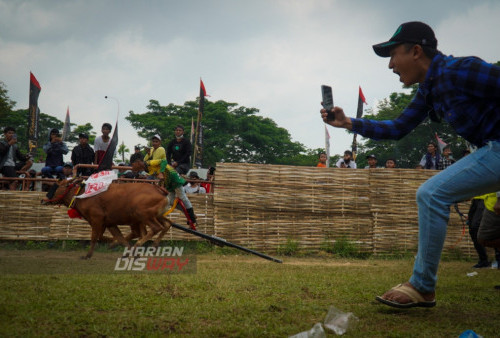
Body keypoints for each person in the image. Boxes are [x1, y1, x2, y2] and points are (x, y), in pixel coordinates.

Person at [320, 21, 500, 308]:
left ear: (416, 51)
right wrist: (348, 123)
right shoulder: (430, 90)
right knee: (489, 228)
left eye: (393, 55)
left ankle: (422, 285)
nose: (391, 65)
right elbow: (398, 127)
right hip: (489, 151)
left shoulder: (460, 70)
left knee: (431, 193)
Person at [158, 160, 197, 226]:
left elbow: (163, 162)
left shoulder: (157, 163)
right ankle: (189, 215)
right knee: (171, 201)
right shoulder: (156, 168)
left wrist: (161, 173)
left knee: (183, 198)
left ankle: (192, 219)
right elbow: (161, 180)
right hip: (170, 184)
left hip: (175, 181)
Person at [467, 195, 500, 268]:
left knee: (476, 227)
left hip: (487, 198)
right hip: (475, 198)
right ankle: (483, 260)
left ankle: (498, 258)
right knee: (472, 229)